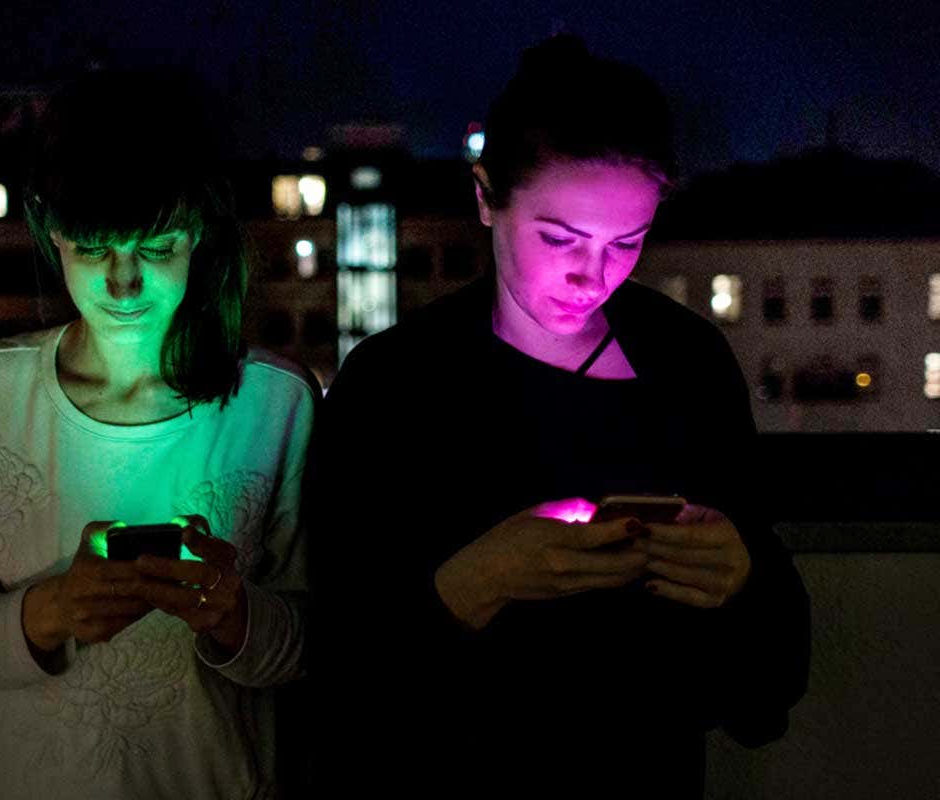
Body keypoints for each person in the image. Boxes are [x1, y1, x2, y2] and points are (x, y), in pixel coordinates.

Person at [310, 36, 810, 798]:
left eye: (627, 242)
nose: (593, 275)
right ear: (485, 197)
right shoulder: (395, 386)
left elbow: (769, 682)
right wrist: (475, 583)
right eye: (559, 238)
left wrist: (742, 582)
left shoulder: (687, 364)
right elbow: (342, 677)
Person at [0, 69, 315, 800]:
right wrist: (53, 611)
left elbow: (312, 639)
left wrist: (235, 617)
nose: (124, 282)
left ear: (196, 234)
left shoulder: (274, 402)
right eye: (96, 248)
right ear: (54, 233)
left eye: (156, 248)